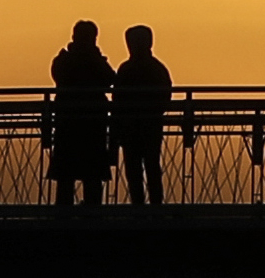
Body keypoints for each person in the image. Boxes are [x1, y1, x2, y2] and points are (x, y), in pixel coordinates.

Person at [48, 20, 115, 208]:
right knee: (92, 174)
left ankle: (63, 212)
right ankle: (92, 212)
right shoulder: (93, 62)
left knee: (66, 174)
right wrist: (96, 58)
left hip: (67, 122)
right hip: (92, 123)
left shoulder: (62, 60)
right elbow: (111, 79)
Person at [113, 25, 173, 206]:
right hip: (151, 125)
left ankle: (138, 207)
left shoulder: (125, 69)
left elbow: (117, 100)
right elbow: (166, 95)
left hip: (131, 126)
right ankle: (155, 206)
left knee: (135, 170)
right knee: (152, 166)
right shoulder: (157, 68)